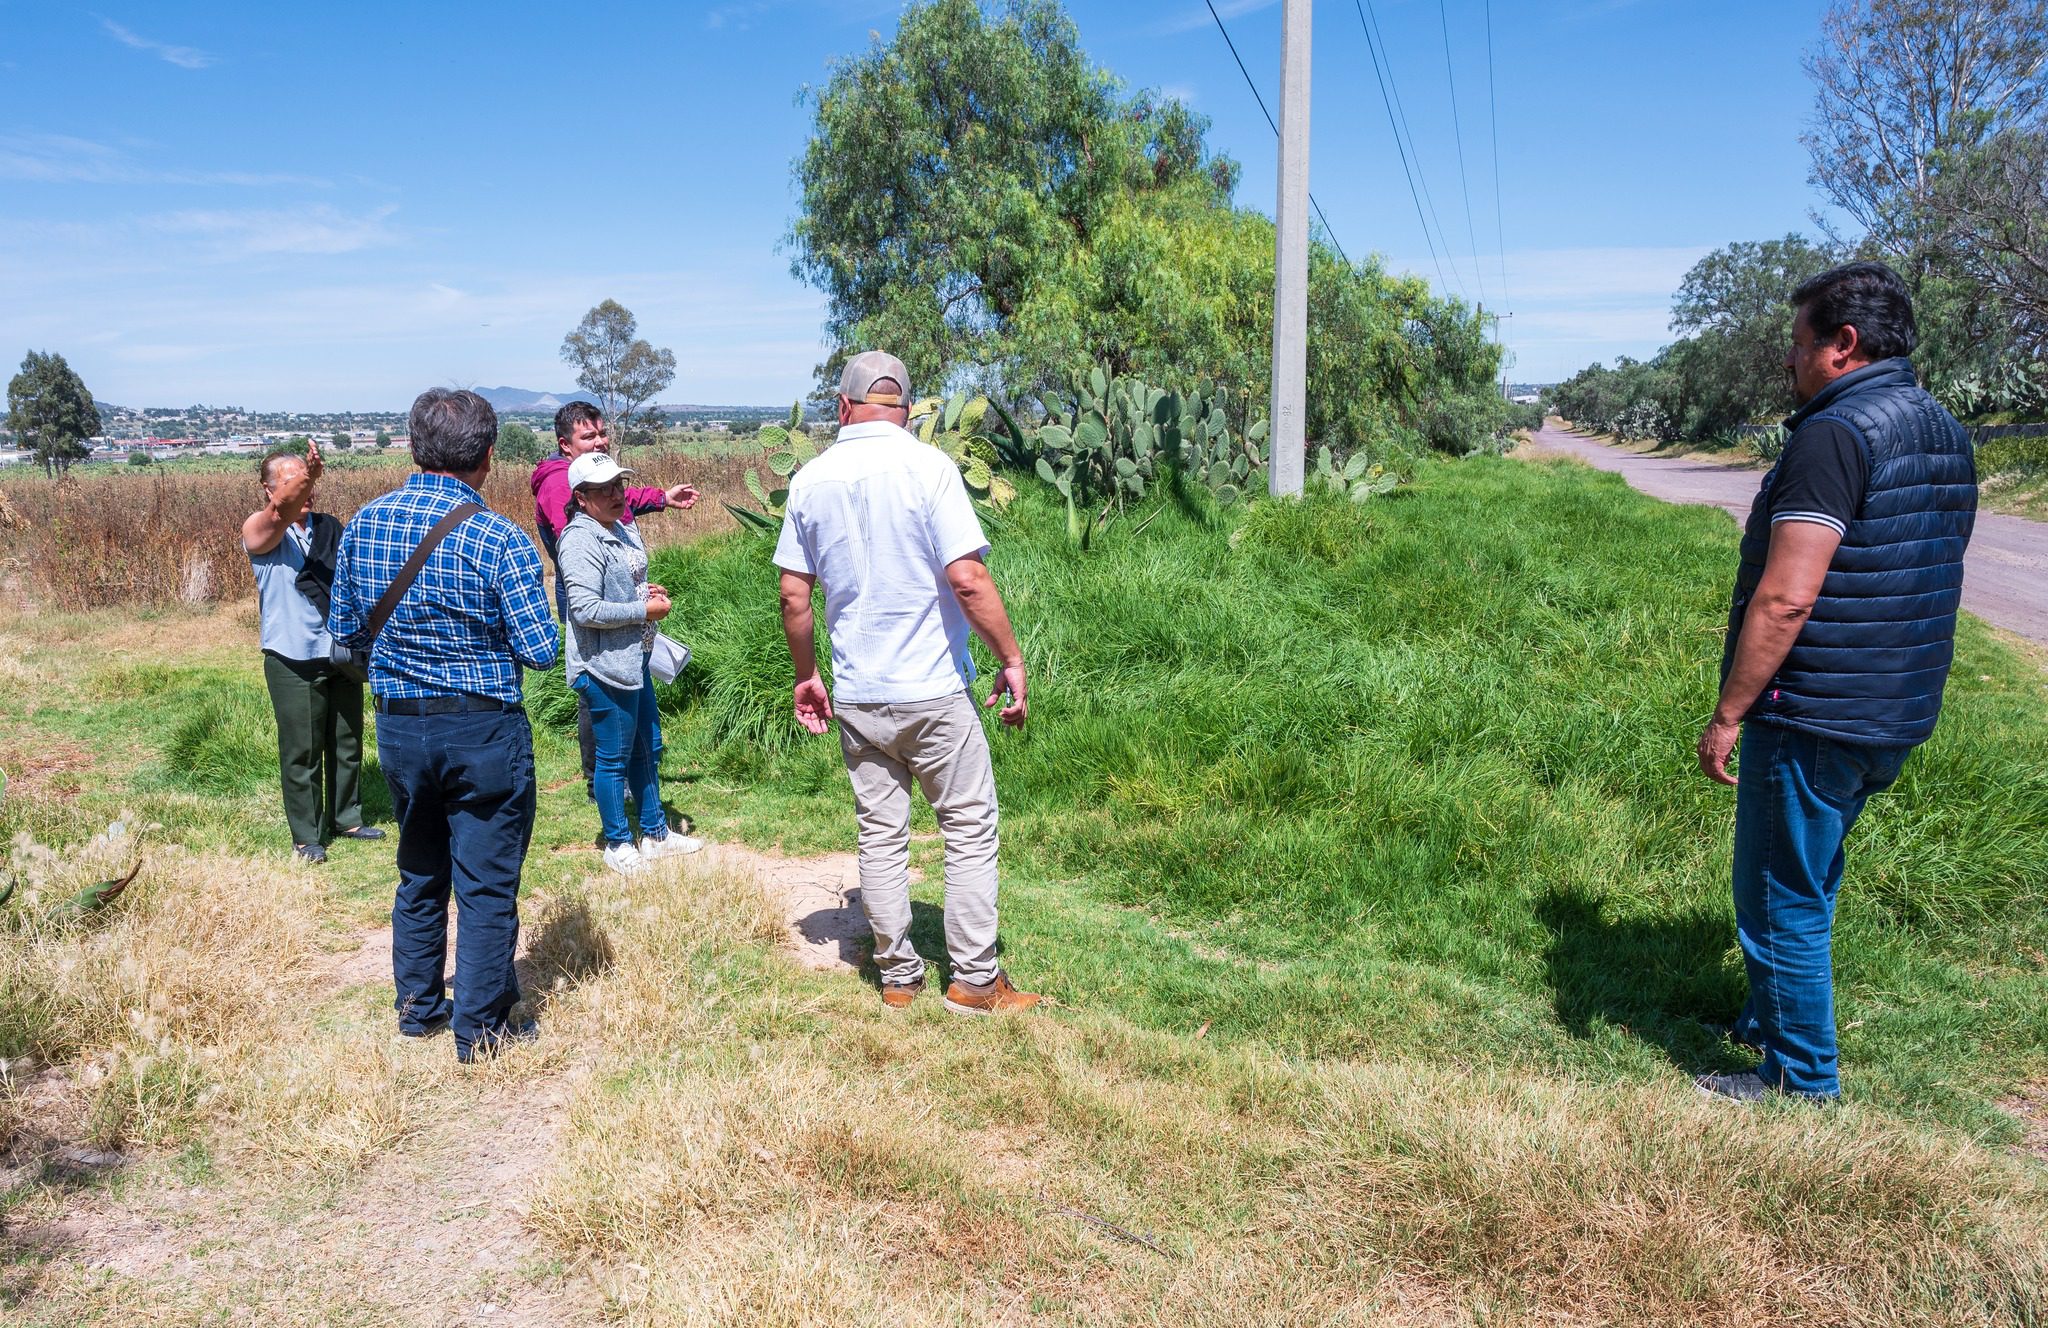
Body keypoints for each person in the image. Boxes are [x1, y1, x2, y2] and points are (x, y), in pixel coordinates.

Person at [1694, 261, 1976, 1103]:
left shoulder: (1834, 433)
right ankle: (1765, 1021)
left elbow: (1787, 597)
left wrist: (1729, 711)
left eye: (1798, 344)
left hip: (1815, 706)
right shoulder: (1941, 427)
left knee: (1780, 888)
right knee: (1810, 872)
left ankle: (1798, 1079)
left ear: (1842, 346)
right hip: (1893, 709)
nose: (1791, 362)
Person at [774, 350, 1039, 1016]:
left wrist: (807, 675)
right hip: (934, 689)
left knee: (880, 834)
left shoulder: (811, 479)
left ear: (842, 407)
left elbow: (792, 594)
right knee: (969, 829)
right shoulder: (931, 468)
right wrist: (1009, 655)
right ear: (908, 407)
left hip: (861, 692)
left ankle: (899, 977)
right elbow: (968, 578)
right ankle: (976, 982)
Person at [329, 388, 561, 1064]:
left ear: (412, 447)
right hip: (483, 729)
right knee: (486, 883)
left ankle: (419, 1008)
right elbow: (541, 650)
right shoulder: (500, 539)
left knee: (420, 869)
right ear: (489, 456)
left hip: (401, 729)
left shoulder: (365, 524)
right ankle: (480, 1027)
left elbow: (343, 634)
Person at [530, 401, 698, 798]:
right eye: (588, 436)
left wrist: (661, 497)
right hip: (592, 588)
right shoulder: (559, 485)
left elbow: (617, 499)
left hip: (620, 585)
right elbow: (583, 536)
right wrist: (637, 599)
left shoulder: (591, 480)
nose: (600, 441)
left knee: (628, 674)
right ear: (565, 445)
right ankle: (603, 776)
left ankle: (627, 768)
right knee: (600, 681)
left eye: (602, 433)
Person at [557, 451, 704, 873]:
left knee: (646, 748)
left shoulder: (617, 527)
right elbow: (584, 609)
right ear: (581, 498)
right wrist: (644, 612)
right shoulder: (580, 539)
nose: (616, 494)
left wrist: (643, 589)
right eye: (603, 489)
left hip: (634, 658)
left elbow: (620, 583)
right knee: (614, 757)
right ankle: (618, 843)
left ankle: (656, 834)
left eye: (619, 485)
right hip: (604, 666)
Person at [240, 439, 382, 864]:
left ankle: (348, 817)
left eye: (306, 479)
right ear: (268, 490)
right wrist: (307, 475)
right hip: (291, 655)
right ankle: (306, 836)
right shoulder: (260, 530)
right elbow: (280, 512)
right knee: (301, 750)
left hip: (338, 651)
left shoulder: (328, 527)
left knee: (346, 739)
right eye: (290, 480)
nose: (305, 489)